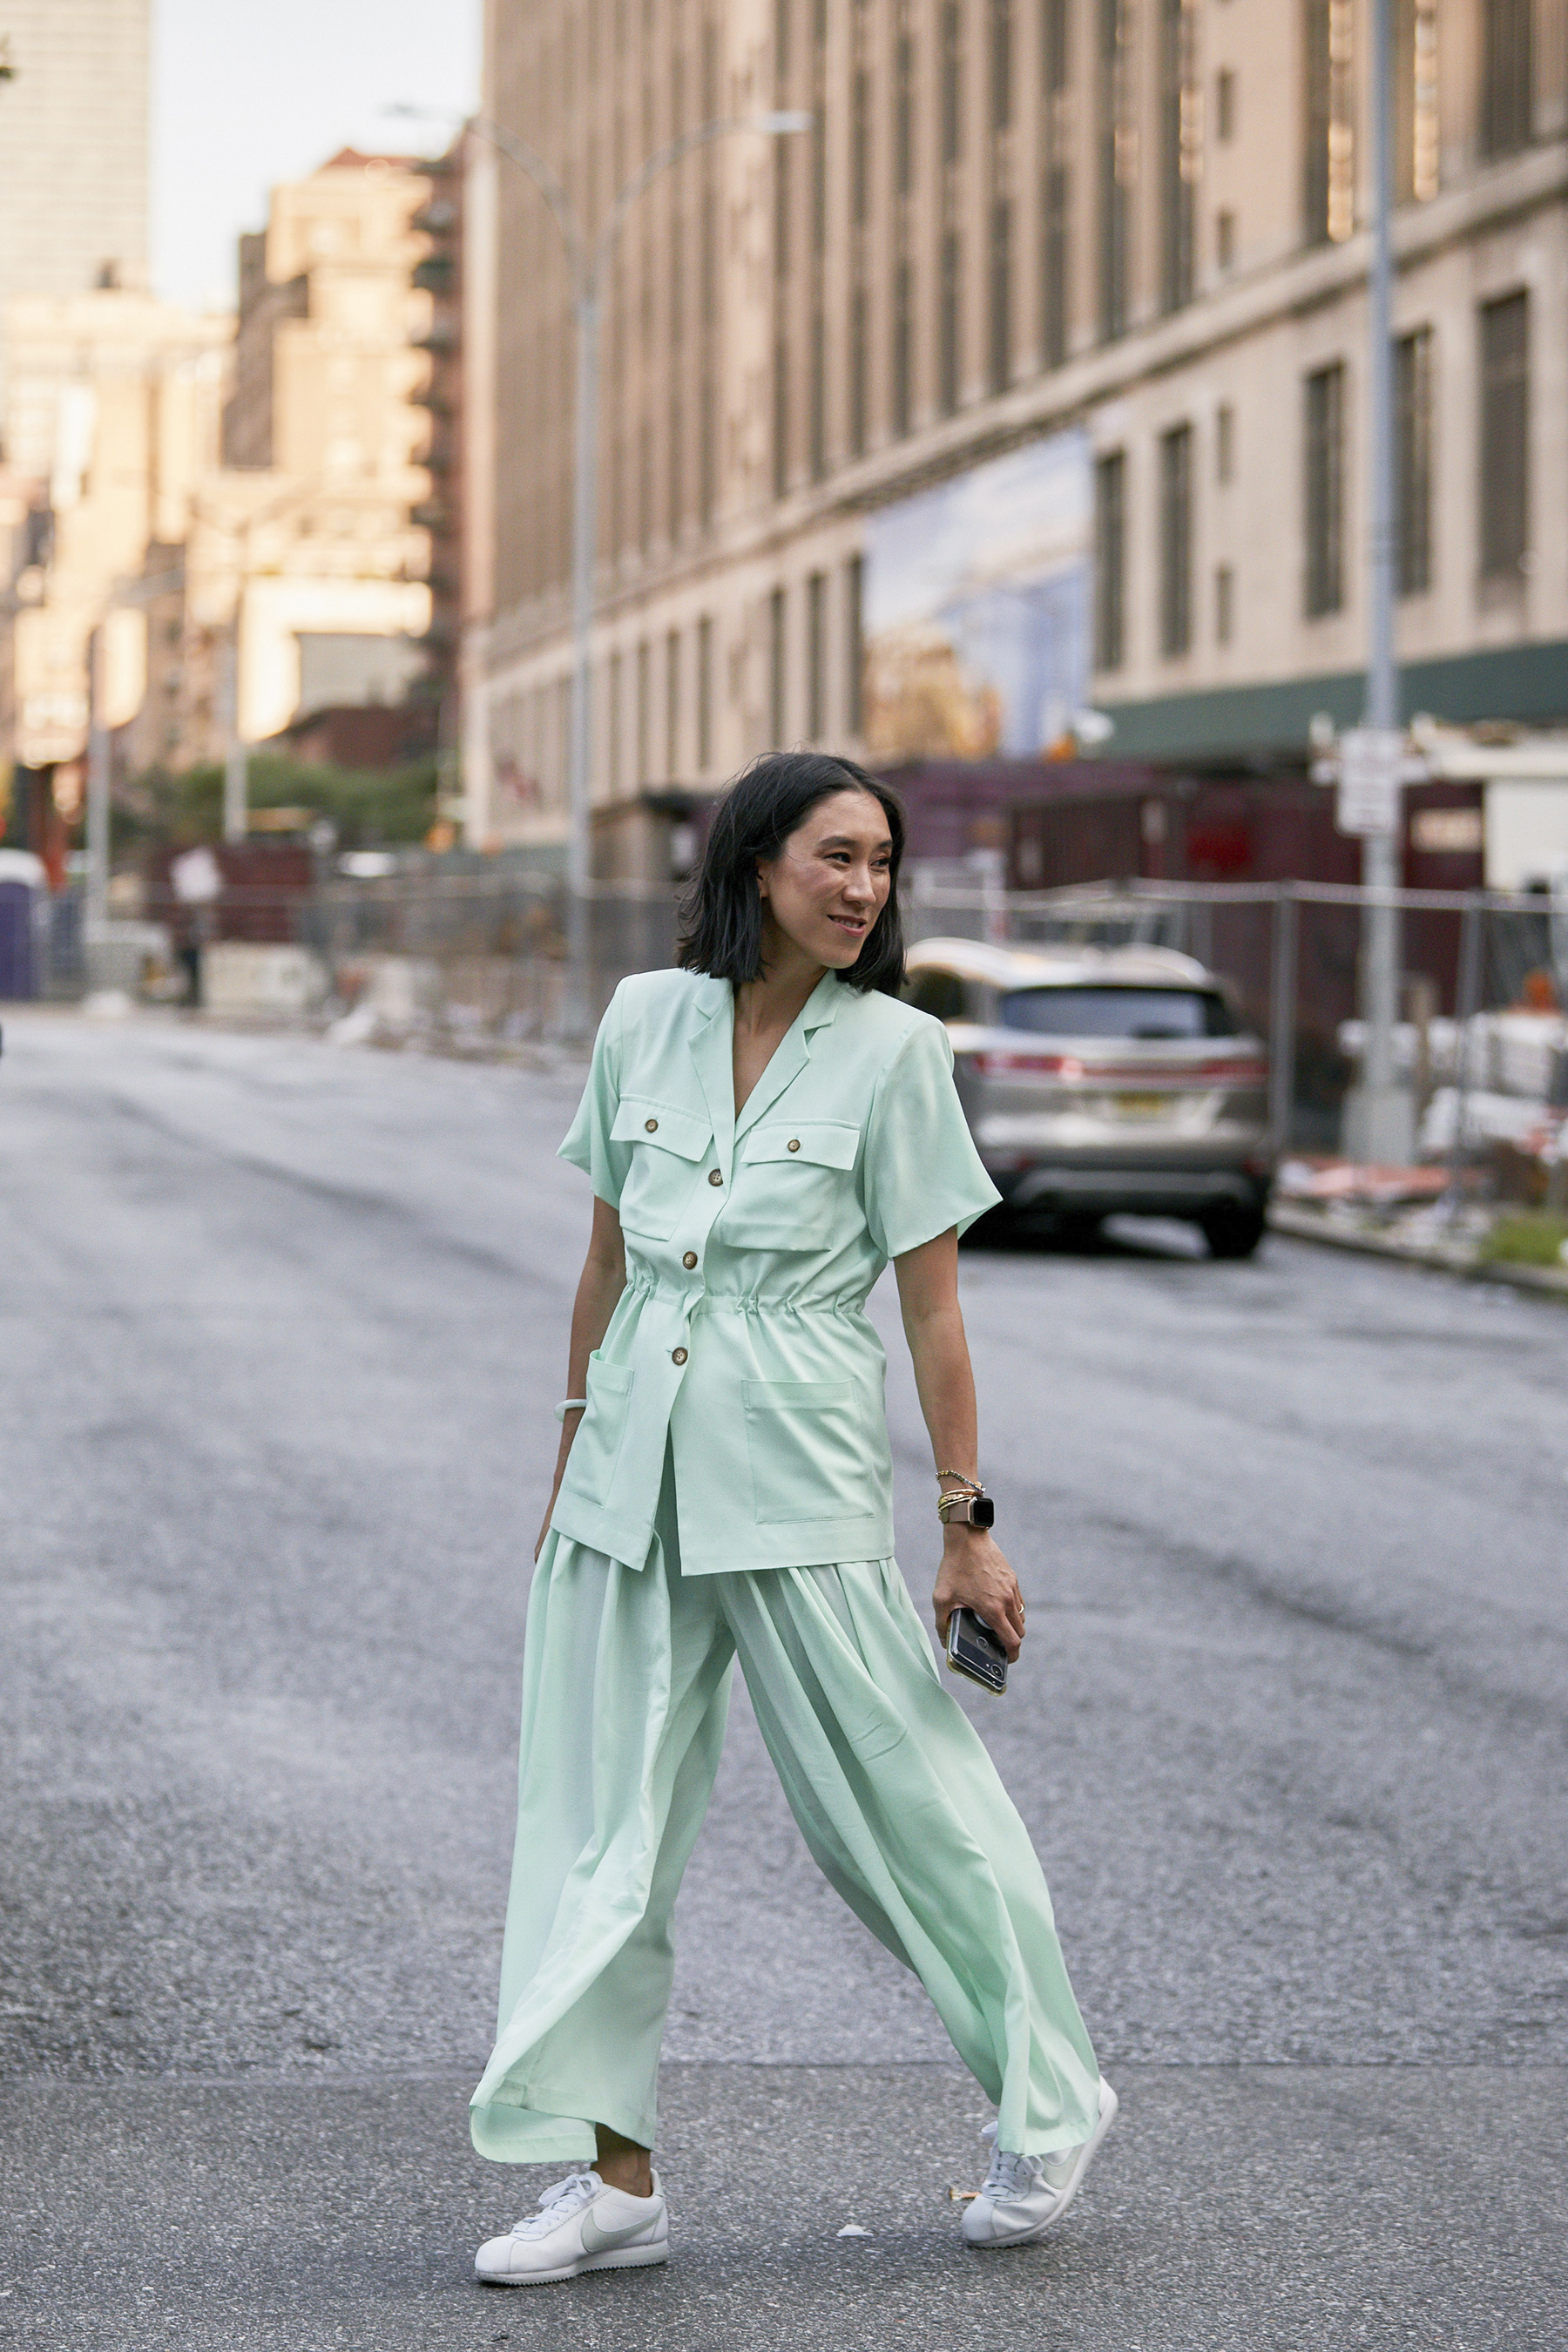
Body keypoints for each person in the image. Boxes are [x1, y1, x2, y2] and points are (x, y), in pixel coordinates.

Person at [470, 752, 1114, 2288]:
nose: (863, 888)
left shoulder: (897, 1053)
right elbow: (610, 1259)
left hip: (799, 1472)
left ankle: (1050, 2096)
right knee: (596, 1828)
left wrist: (966, 1524)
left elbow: (937, 1319)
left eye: (882, 863)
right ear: (755, 863)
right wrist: (573, 1448)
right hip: (634, 1470)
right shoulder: (645, 1019)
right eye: (835, 856)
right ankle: (610, 2180)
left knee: (904, 1807)